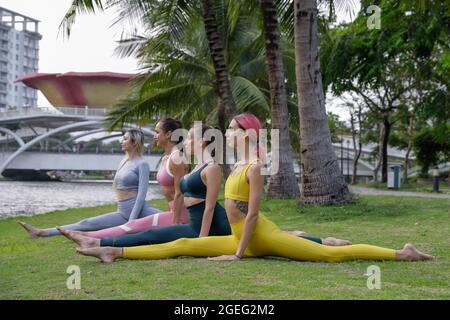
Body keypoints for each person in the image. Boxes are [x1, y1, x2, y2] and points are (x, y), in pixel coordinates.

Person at [18, 129, 160, 237]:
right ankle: (42, 232)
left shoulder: (142, 164)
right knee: (87, 224)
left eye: (125, 139)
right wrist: (129, 219)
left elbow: (142, 194)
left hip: (139, 211)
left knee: (173, 221)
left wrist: (132, 221)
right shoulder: (124, 161)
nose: (121, 142)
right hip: (122, 211)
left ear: (134, 142)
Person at [69, 118, 191, 239]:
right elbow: (169, 192)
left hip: (181, 215)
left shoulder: (177, 158)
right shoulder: (166, 158)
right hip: (173, 212)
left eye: (157, 132)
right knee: (139, 229)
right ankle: (87, 236)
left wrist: (175, 226)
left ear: (169, 134)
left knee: (134, 227)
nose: (154, 136)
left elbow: (179, 193)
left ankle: (87, 236)